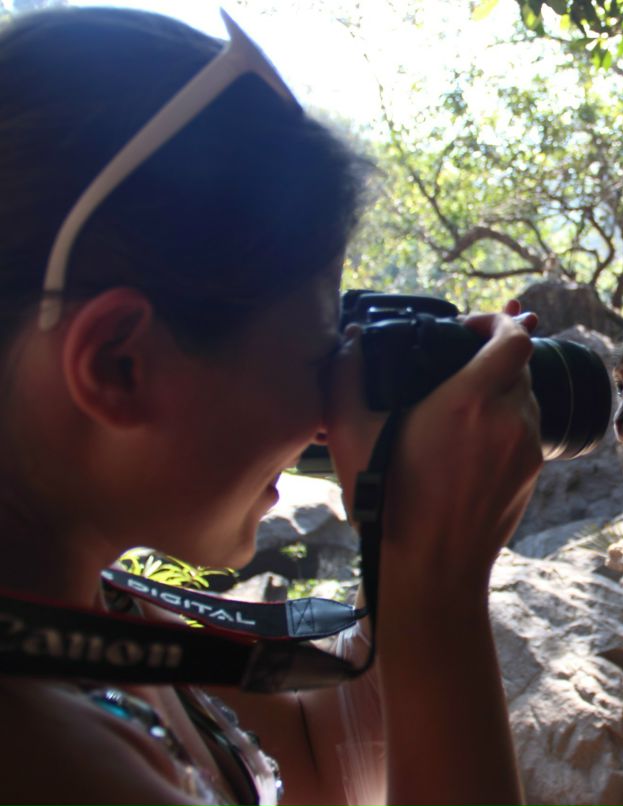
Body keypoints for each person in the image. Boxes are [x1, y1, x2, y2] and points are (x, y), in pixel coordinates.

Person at [0, 6, 542, 805]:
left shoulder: (85, 598)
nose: (328, 416)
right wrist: (434, 592)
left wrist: (416, 535)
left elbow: (321, 757)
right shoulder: (43, 759)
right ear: (119, 364)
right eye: (317, 356)